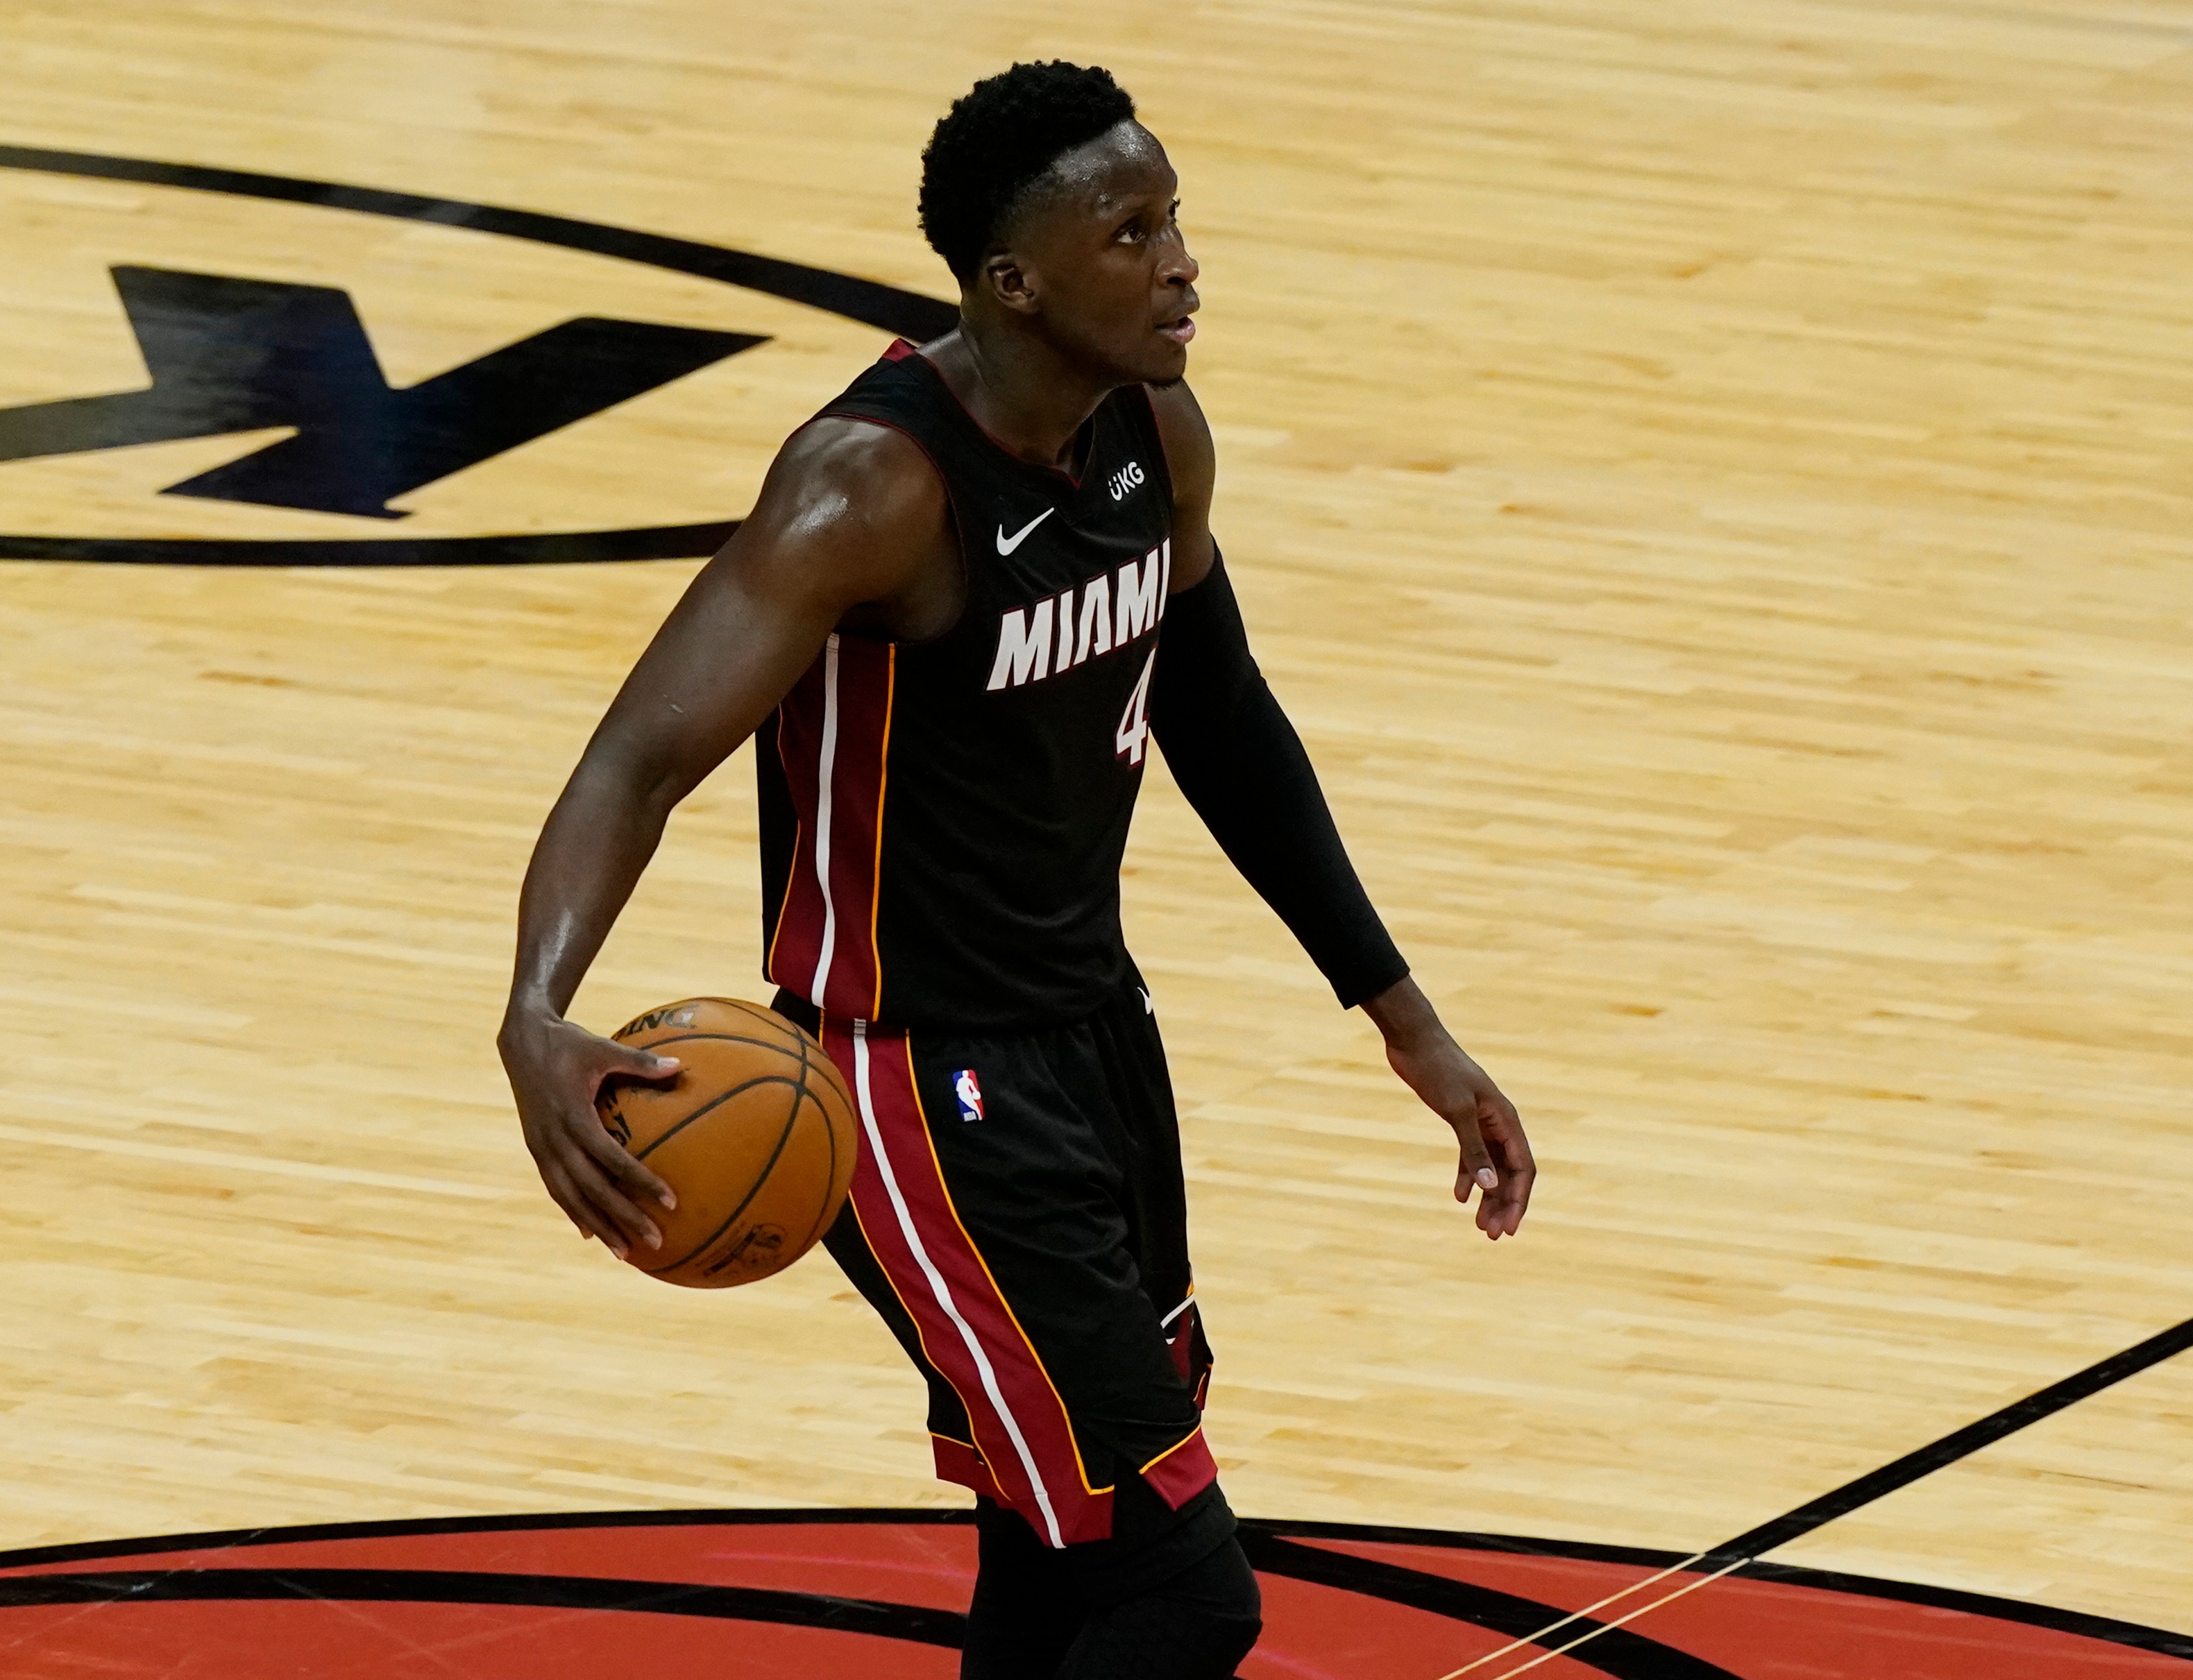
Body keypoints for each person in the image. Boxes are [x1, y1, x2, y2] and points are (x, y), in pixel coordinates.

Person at [497, 60, 1535, 1679]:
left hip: (1093, 1035)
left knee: (1058, 1562)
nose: (1181, 259)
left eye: (1175, 216)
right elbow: (636, 755)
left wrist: (1402, 1015)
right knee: (1177, 1588)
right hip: (908, 1082)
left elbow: (1223, 714)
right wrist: (535, 1008)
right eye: (1132, 232)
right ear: (1015, 281)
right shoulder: (871, 490)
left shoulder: (1153, 436)